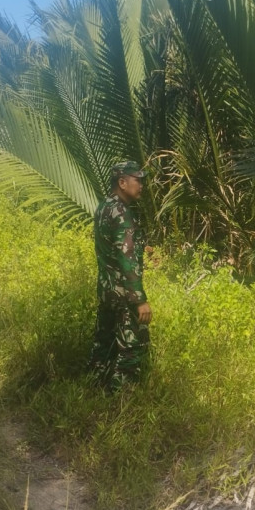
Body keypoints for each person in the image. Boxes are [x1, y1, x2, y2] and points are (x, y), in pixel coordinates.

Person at [88, 161, 152, 392]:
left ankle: (94, 387)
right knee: (132, 347)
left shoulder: (104, 207)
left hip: (106, 289)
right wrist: (140, 300)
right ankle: (120, 399)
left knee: (103, 342)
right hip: (124, 293)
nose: (142, 185)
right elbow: (127, 260)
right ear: (122, 182)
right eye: (138, 180)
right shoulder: (122, 213)